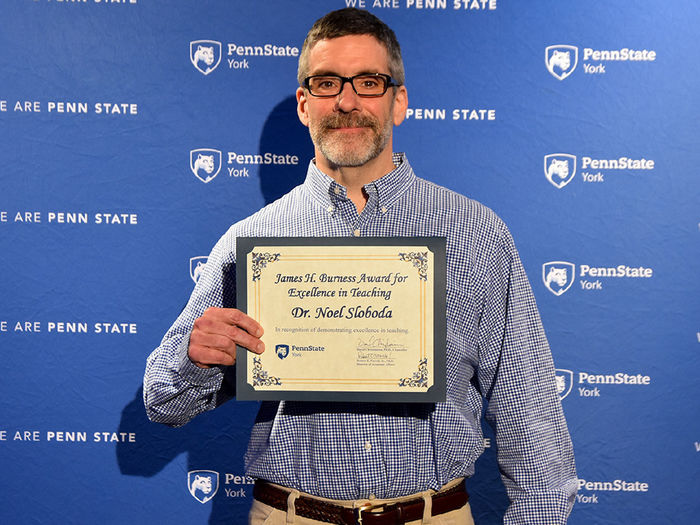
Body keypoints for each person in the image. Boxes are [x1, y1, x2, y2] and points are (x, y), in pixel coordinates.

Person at [144, 8, 577, 524]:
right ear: (305, 105)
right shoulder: (250, 242)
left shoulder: (476, 234)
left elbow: (533, 422)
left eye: (369, 82)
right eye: (327, 83)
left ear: (399, 102)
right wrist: (195, 357)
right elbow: (163, 404)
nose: (347, 101)